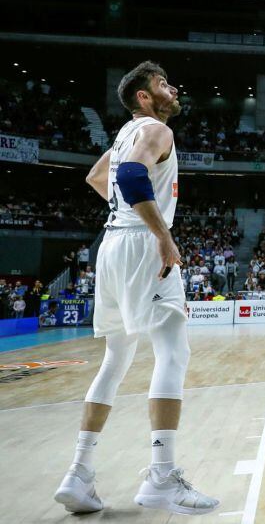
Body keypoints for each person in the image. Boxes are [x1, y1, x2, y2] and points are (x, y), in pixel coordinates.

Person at [54, 61, 218, 515]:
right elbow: (128, 178)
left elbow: (97, 178)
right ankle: (162, 478)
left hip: (111, 245)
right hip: (144, 247)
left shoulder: (123, 135)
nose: (173, 88)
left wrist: (131, 218)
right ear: (145, 98)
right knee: (172, 352)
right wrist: (161, 234)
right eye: (164, 84)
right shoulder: (155, 130)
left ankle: (79, 474)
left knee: (115, 359)